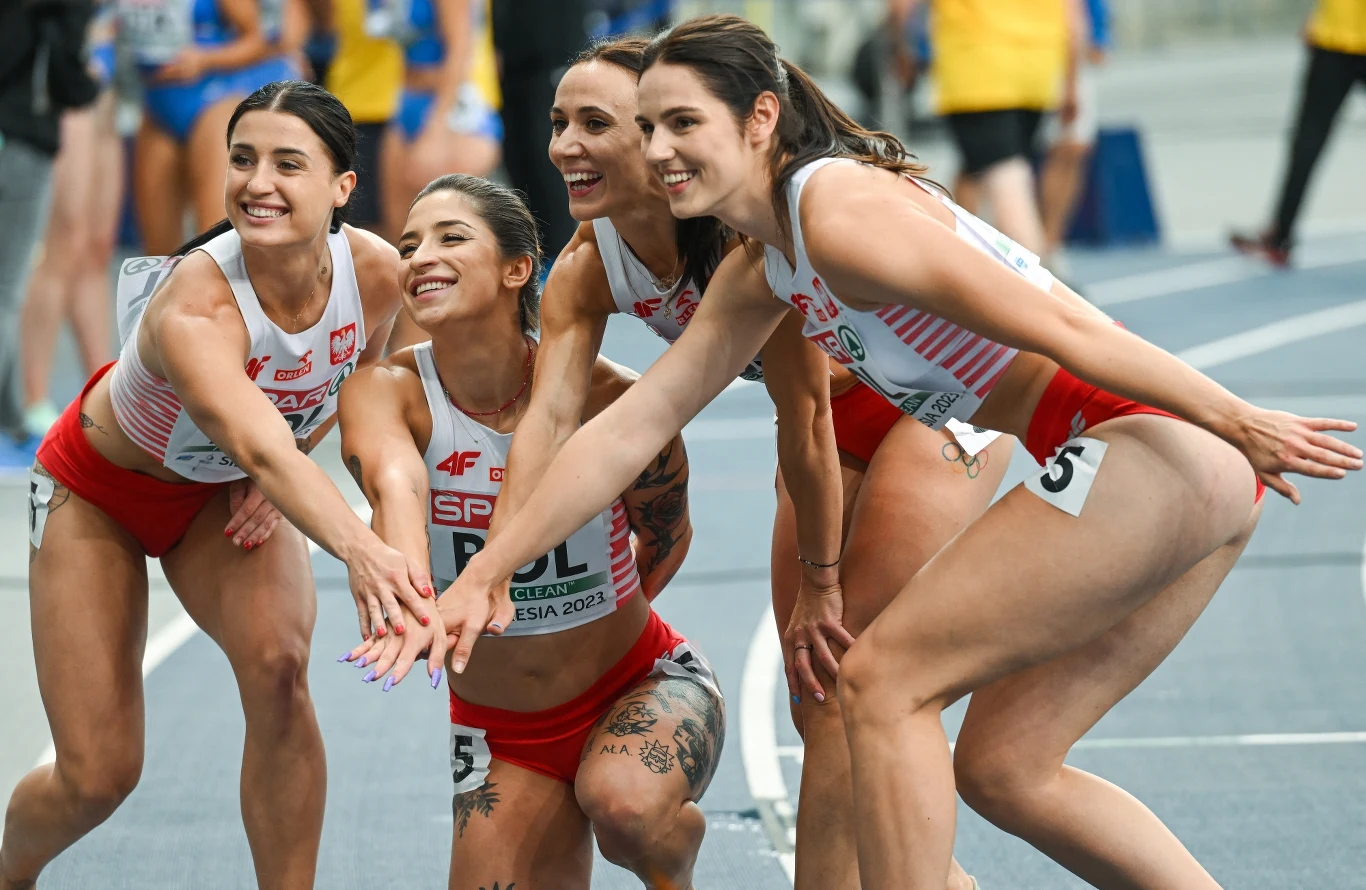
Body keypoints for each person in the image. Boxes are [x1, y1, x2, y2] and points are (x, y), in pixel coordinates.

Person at [403, 14, 1362, 890]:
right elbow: (629, 428)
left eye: (678, 124)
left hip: (1144, 442)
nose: (657, 151)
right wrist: (491, 567)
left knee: (877, 680)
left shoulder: (836, 208)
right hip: (1158, 460)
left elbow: (1063, 319)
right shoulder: (764, 263)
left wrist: (1234, 416)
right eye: (646, 129)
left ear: (759, 117)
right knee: (1004, 769)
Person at [508, 35, 1006, 890]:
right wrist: (498, 565)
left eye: (596, 123)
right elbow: (548, 421)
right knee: (821, 709)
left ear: (661, 135)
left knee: (856, 683)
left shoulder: (742, 237)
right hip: (821, 434)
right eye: (558, 123)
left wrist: (821, 582)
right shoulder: (587, 269)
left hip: (930, 410)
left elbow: (806, 417)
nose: (564, 146)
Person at [0, 81, 434, 890]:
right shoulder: (195, 309)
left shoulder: (376, 271)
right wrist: (365, 553)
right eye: (242, 160)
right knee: (98, 775)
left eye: (286, 163)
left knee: (279, 670)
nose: (256, 182)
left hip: (219, 498)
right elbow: (264, 451)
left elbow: (357, 380)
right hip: (99, 494)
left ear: (343, 188)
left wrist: (298, 461)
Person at [337, 173, 724, 890]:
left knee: (624, 806)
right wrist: (414, 588)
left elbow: (666, 531)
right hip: (501, 734)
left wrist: (592, 611)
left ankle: (671, 845)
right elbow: (397, 486)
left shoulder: (609, 396)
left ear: (519, 269)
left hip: (638, 687)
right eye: (409, 244)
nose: (421, 256)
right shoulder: (384, 393)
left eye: (452, 238)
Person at [889, 0, 1070, 258]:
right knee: (977, 170)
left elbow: (901, 6)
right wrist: (1071, 78)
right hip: (1037, 68)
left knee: (1007, 182)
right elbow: (1074, 12)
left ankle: (1039, 282)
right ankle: (957, 266)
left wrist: (903, 49)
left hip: (978, 70)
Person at [120, 0, 302, 255]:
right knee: (158, 257)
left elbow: (271, 38)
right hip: (160, 102)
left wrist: (205, 59)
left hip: (218, 97)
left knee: (217, 246)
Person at [18, 0, 122, 439]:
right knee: (60, 246)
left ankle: (102, 394)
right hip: (60, 87)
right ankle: (30, 403)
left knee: (95, 248)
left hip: (104, 80)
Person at [0, 0, 100, 452]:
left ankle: (13, 411)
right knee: (6, 292)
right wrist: (88, 84)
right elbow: (68, 80)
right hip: (20, 134)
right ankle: (22, 404)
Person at [376, 0, 504, 351]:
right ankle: (406, 354)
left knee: (442, 249)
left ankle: (437, 360)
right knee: (399, 244)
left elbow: (462, 47)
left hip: (453, 111)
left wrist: (435, 128)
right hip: (408, 100)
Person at [1231, 0, 1366, 268]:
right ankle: (1280, 234)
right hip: (1333, 36)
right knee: (1306, 140)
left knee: (1308, 139)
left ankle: (1280, 235)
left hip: (1336, 37)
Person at [491, 0, 589, 260]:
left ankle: (563, 261)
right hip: (510, 68)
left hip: (551, 57)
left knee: (549, 163)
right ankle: (537, 262)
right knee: (518, 167)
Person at [1039, 0, 1109, 264]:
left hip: (1071, 55)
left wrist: (1100, 36)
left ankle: (1049, 245)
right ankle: (1038, 246)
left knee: (1073, 149)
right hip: (1045, 56)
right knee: (994, 163)